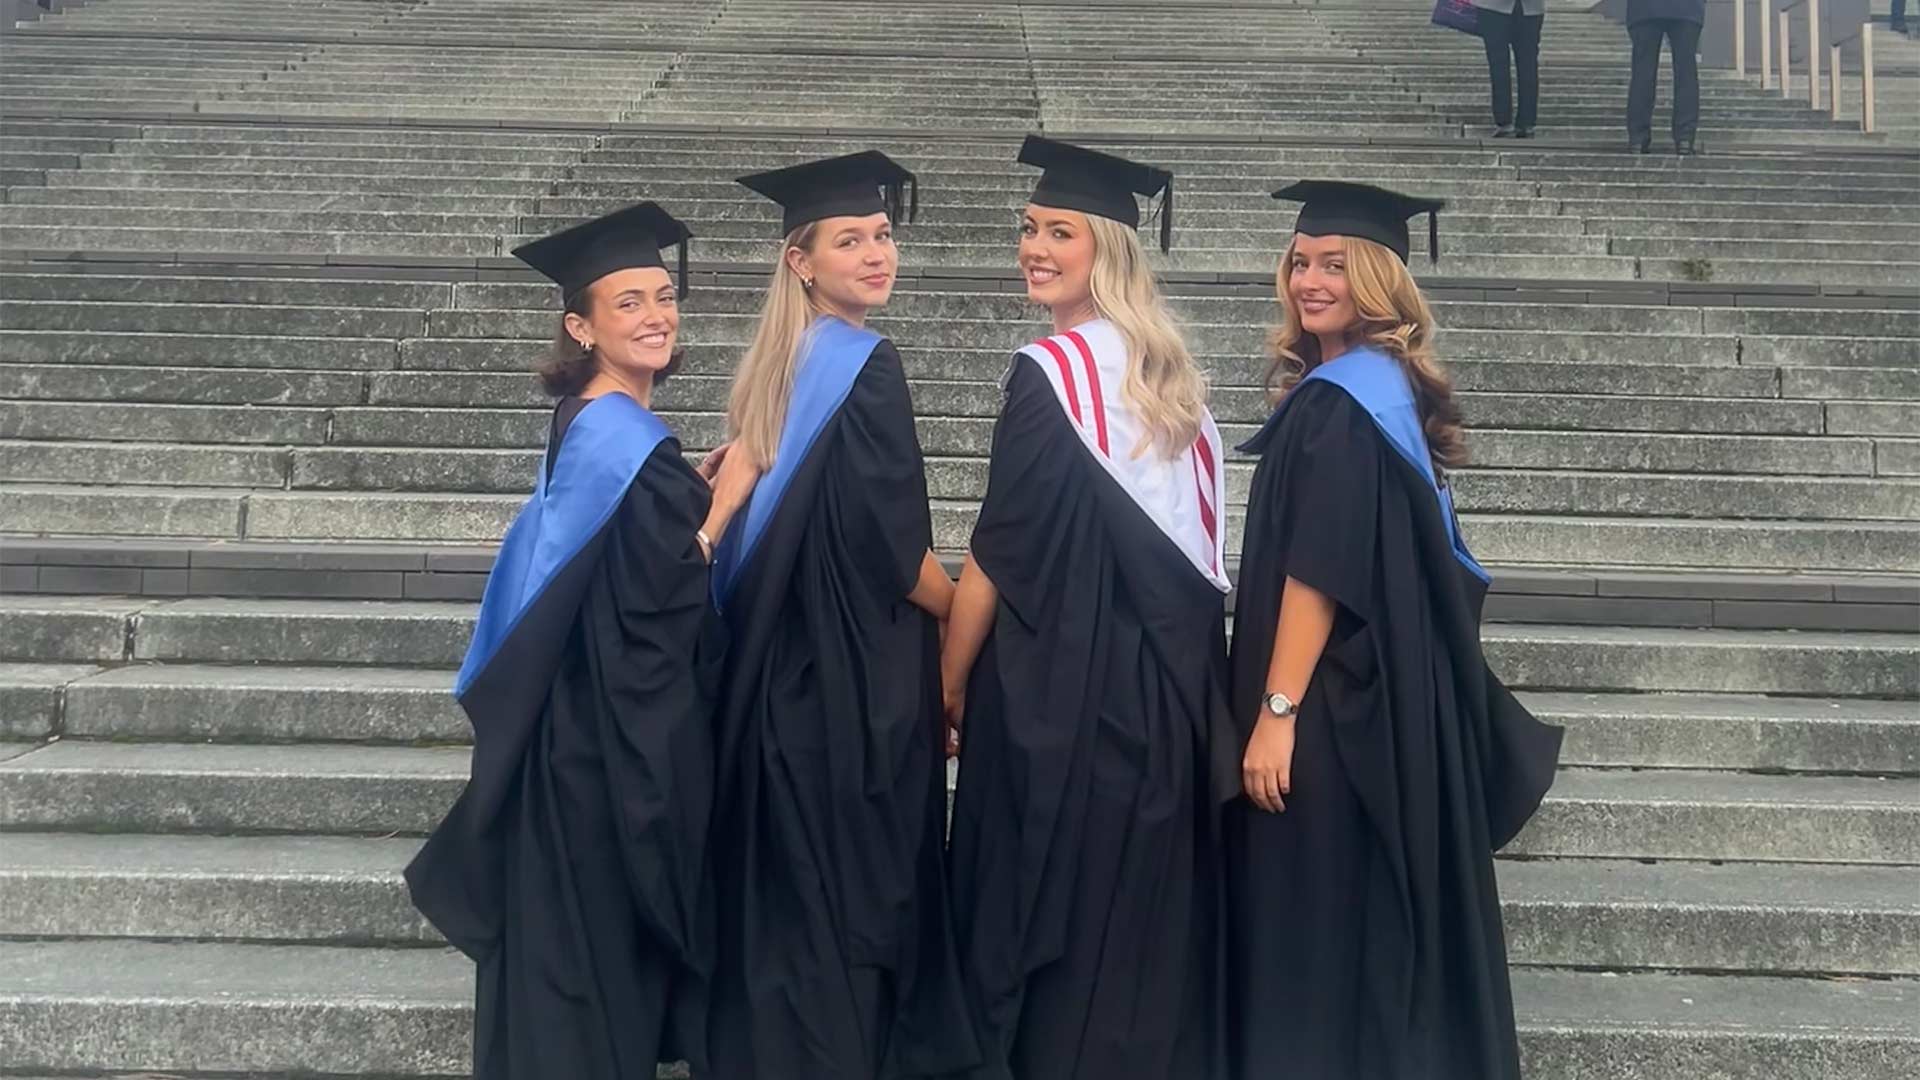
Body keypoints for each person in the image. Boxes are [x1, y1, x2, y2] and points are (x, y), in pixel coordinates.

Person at [404, 203, 761, 1080]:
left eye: (664, 296)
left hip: (571, 735)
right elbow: (664, 590)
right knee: (598, 951)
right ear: (581, 325)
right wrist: (727, 497)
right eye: (628, 302)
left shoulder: (592, 423)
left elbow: (612, 553)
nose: (655, 316)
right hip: (604, 752)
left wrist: (684, 479)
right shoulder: (616, 434)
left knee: (570, 948)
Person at [1227, 181, 1564, 1080]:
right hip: (1384, 699)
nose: (1310, 280)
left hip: (1334, 708)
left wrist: (1276, 708)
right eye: (1301, 263)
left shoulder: (1343, 405)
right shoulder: (1385, 392)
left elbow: (1319, 570)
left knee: (1325, 916)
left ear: (1379, 280)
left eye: (1336, 265)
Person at [942, 136, 1237, 1080]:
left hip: (1061, 702)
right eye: (1029, 229)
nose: (1034, 246)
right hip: (1159, 701)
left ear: (1104, 249)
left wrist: (946, 682)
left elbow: (999, 549)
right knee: (1134, 922)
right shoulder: (1170, 381)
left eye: (1058, 232)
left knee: (1047, 912)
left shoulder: (1049, 375)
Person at [705, 150, 978, 1080]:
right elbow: (894, 554)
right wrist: (970, 611)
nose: (876, 254)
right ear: (800, 261)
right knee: (861, 886)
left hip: (786, 678)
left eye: (883, 236)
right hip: (858, 681)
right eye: (850, 240)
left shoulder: (779, 370)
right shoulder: (866, 366)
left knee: (797, 887)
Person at [1625, 0, 1705, 154]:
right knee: (1686, 71)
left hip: (1644, 8)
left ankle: (1638, 138)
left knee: (1642, 72)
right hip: (1687, 8)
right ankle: (1685, 137)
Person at [1473, 0, 1545, 138]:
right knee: (1528, 64)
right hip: (1530, 9)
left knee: (1498, 63)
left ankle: (1505, 122)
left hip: (1493, 7)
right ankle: (1526, 123)